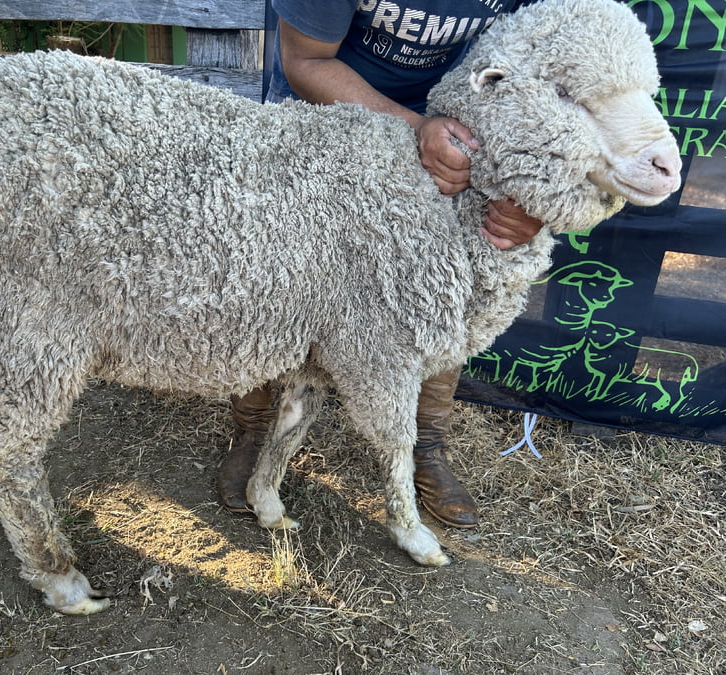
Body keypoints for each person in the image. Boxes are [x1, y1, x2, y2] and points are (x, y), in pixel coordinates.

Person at [218, 0, 542, 528]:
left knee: (447, 280)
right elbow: (306, 61)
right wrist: (415, 129)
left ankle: (426, 443)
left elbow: (553, 80)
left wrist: (533, 199)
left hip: (458, 124)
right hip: (322, 108)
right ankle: (253, 426)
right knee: (275, 269)